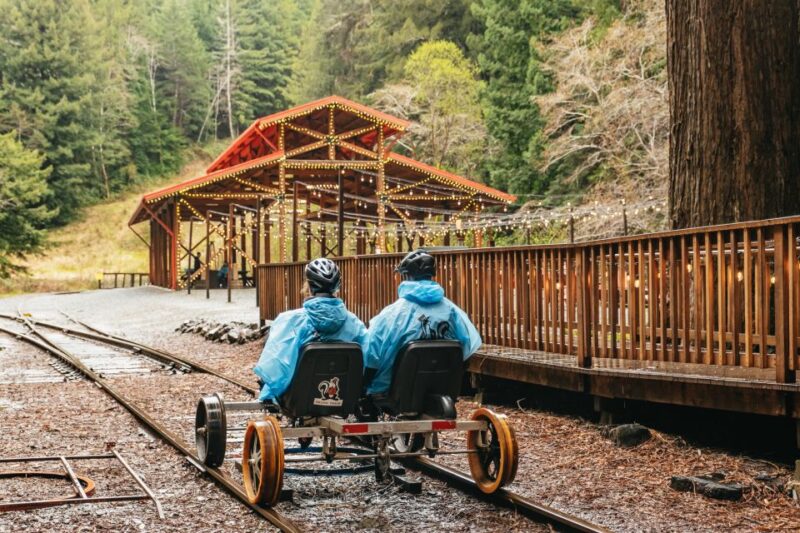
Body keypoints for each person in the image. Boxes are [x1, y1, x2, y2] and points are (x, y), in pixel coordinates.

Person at [363, 250, 482, 396]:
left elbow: (370, 359)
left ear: (406, 276)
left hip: (395, 390)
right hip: (442, 386)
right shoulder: (452, 311)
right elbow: (467, 349)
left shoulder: (390, 314)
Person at [253, 258, 368, 402]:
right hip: (342, 397)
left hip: (298, 399)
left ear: (309, 286)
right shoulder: (355, 324)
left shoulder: (290, 320)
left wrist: (268, 394)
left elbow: (274, 368)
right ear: (337, 287)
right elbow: (368, 362)